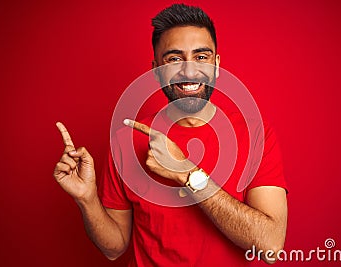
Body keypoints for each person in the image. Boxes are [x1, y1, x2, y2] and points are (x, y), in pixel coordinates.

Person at [53, 4, 287, 266]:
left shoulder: (256, 134)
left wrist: (186, 172)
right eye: (174, 59)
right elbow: (114, 248)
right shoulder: (126, 140)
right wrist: (87, 199)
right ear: (156, 71)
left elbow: (270, 245)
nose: (189, 71)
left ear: (217, 65)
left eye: (201, 57)